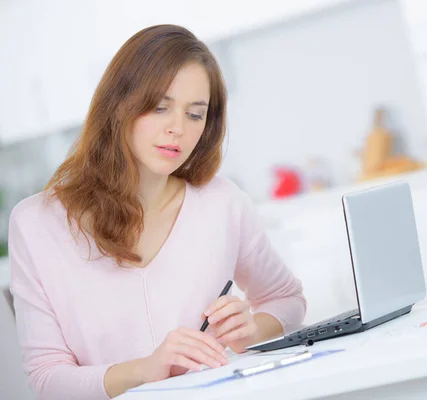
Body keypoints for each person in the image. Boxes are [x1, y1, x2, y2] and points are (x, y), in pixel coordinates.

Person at [8, 24, 307, 400]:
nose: (177, 129)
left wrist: (251, 330)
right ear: (118, 105)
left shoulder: (222, 202)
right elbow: (47, 379)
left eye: (195, 115)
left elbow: (288, 300)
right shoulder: (37, 223)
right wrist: (146, 369)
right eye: (160, 107)